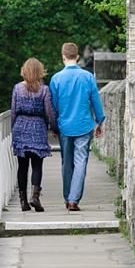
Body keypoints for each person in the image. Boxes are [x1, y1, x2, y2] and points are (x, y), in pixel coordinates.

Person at [49, 42, 105, 212]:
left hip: (65, 126)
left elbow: (53, 106)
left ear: (63, 57)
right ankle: (74, 199)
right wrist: (99, 121)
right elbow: (95, 101)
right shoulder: (87, 77)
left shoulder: (56, 79)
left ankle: (68, 197)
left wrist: (54, 126)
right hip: (84, 125)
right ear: (78, 57)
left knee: (66, 162)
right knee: (81, 162)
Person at [11, 58, 57, 212]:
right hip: (37, 127)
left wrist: (13, 129)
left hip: (21, 126)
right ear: (40, 72)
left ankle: (23, 201)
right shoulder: (44, 90)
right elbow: (49, 111)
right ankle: (35, 197)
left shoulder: (17, 88)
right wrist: (54, 127)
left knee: (22, 166)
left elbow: (13, 111)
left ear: (24, 70)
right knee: (37, 165)